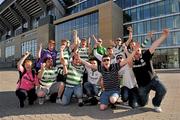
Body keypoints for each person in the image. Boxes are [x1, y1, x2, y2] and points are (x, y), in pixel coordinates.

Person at [78, 43, 139, 110]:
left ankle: (112, 101)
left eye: (107, 60)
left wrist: (134, 51)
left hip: (115, 90)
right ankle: (108, 102)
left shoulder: (115, 66)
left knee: (112, 99)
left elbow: (127, 60)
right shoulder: (101, 68)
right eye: (104, 60)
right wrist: (79, 59)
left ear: (110, 61)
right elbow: (89, 65)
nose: (106, 61)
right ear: (102, 62)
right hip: (106, 91)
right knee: (101, 108)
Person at [132, 29, 169, 112]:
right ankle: (143, 96)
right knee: (143, 103)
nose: (137, 52)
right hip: (142, 86)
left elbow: (153, 46)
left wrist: (163, 36)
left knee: (163, 89)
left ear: (141, 51)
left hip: (153, 80)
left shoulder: (146, 56)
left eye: (138, 50)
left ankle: (156, 104)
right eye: (135, 50)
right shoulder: (131, 61)